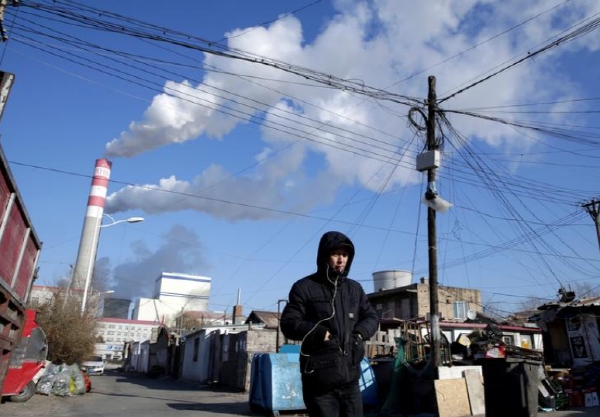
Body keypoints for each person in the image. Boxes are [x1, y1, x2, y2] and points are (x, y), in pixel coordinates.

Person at [280, 231, 378, 417]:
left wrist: (359, 334)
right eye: (336, 254)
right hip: (320, 382)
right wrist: (318, 332)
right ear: (324, 255)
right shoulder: (304, 287)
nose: (341, 260)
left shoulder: (354, 289)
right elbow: (289, 323)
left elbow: (372, 317)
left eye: (345, 255)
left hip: (350, 380)